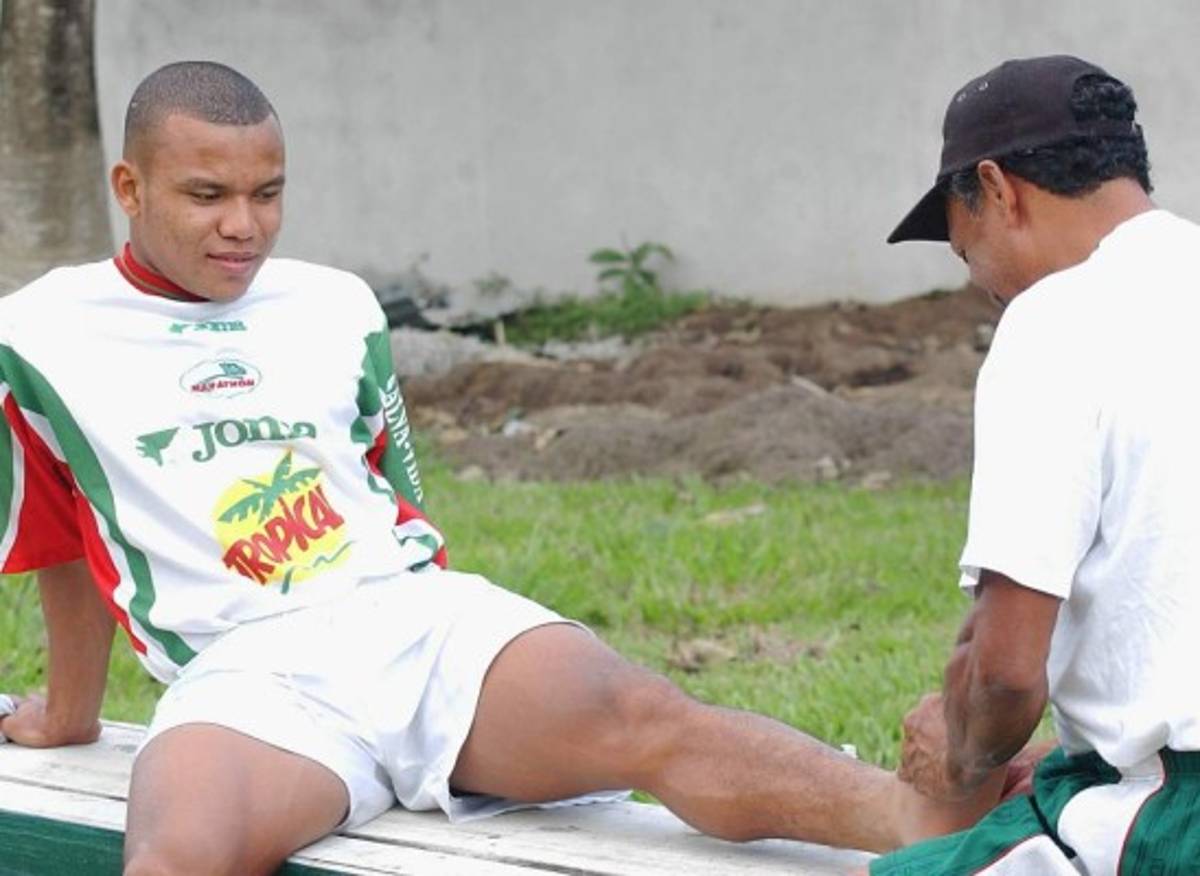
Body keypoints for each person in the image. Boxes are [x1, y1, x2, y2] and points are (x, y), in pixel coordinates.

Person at [0, 60, 907, 875]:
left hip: (414, 624)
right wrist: (68, 716)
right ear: (130, 185)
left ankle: (953, 825)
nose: (245, 226)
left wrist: (471, 675)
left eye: (267, 193)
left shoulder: (335, 304)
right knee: (176, 860)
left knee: (654, 721)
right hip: (247, 679)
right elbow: (59, 535)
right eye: (206, 195)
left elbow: (399, 501)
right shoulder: (40, 333)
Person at [875, 54, 1200, 874]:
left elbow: (1010, 674)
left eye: (965, 253)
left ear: (998, 189)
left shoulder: (1054, 323)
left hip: (1170, 816)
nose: (985, 287)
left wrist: (962, 748)